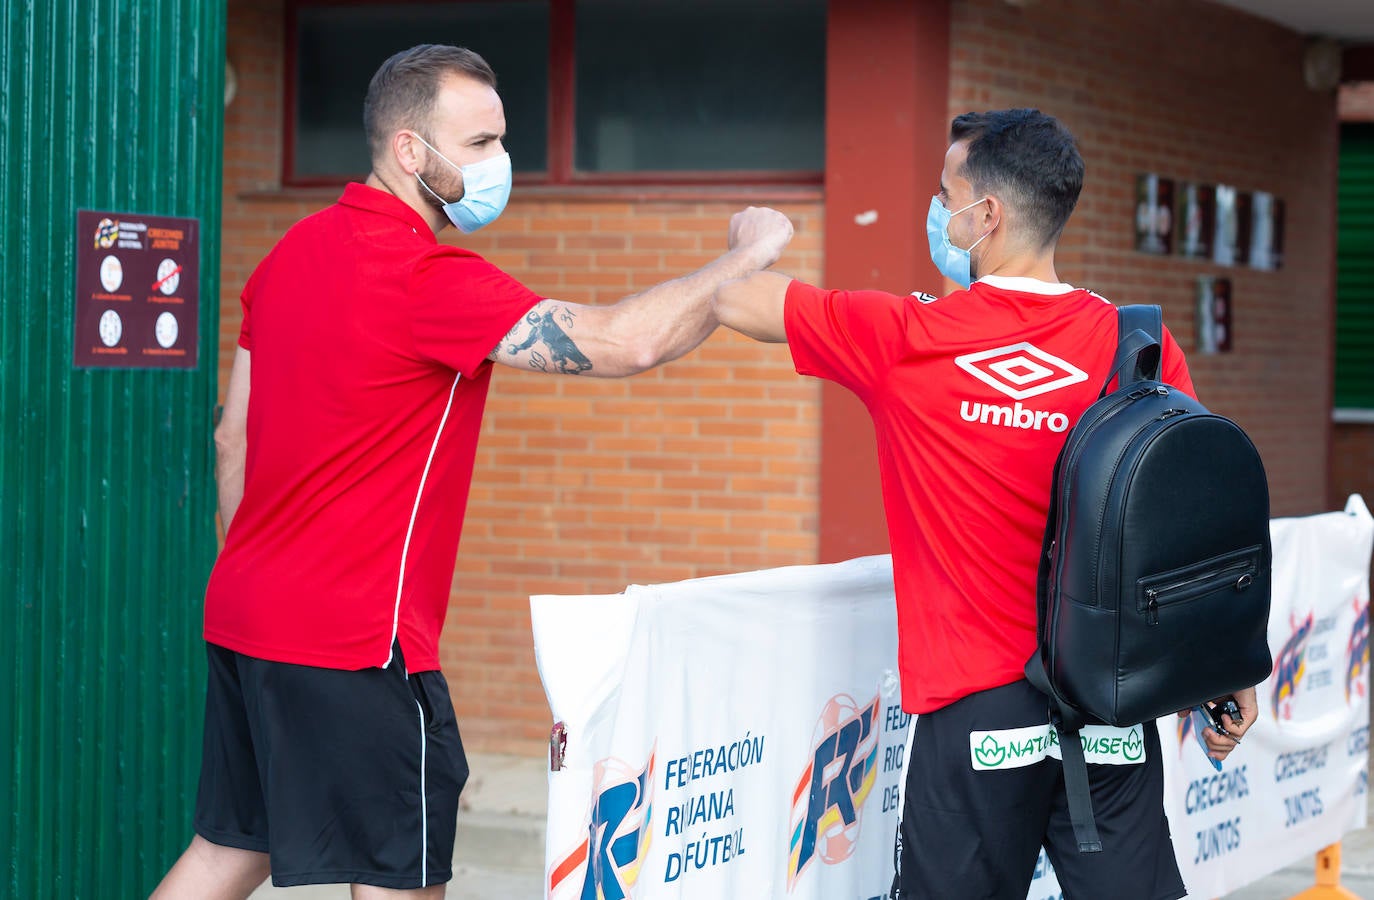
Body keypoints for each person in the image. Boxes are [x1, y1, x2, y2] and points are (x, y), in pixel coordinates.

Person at [152, 44, 792, 899]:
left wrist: (273, 568)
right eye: (481, 143)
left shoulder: (286, 258)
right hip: (356, 642)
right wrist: (744, 256)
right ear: (411, 152)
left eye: (501, 140)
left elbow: (232, 438)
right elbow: (623, 341)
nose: (501, 164)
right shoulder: (426, 276)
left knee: (230, 848)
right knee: (401, 879)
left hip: (245, 615)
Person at [711, 108, 1258, 900]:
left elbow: (735, 301)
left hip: (975, 716)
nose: (939, 213)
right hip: (1110, 703)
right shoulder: (1136, 345)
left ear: (987, 216)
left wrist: (752, 243)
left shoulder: (906, 336)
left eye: (946, 195)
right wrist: (1231, 658)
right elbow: (1191, 525)